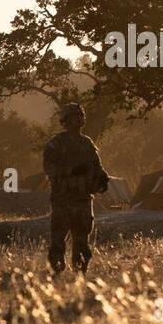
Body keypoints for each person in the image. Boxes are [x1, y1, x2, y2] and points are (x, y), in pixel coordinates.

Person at [43, 103, 107, 274]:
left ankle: (80, 271)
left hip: (83, 198)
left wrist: (102, 178)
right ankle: (57, 270)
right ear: (65, 119)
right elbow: (49, 168)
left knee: (82, 239)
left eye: (80, 115)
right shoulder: (56, 143)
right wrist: (70, 171)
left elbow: (97, 166)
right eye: (74, 115)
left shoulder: (87, 143)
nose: (79, 118)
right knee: (58, 238)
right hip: (63, 198)